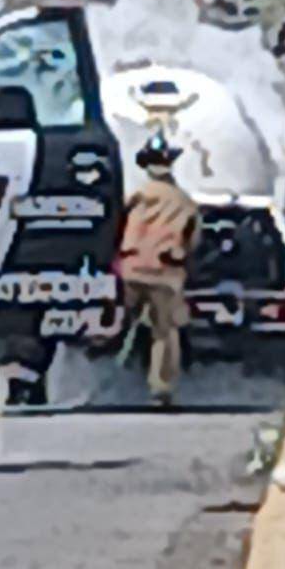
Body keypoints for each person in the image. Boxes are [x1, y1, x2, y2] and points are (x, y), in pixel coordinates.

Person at [119, 132, 202, 407]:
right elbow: (193, 243)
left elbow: (113, 229)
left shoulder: (135, 197)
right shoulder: (184, 202)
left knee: (110, 325)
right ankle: (161, 389)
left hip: (128, 269)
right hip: (165, 274)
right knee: (165, 333)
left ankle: (93, 376)